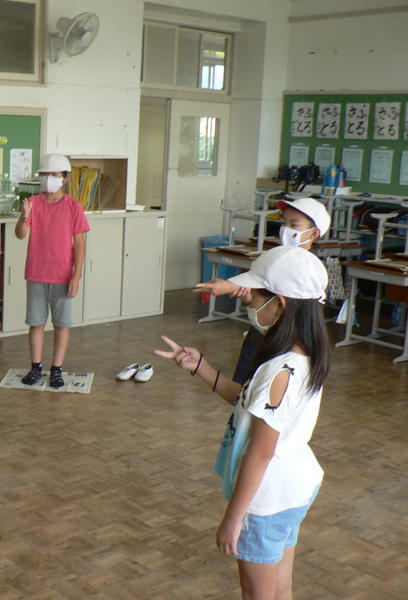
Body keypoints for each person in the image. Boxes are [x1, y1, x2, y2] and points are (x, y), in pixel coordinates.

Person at [155, 245, 329, 600]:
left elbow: (260, 453)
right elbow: (249, 402)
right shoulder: (302, 356)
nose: (251, 306)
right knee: (280, 588)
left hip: (265, 499)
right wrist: (200, 367)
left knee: (257, 593)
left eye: (255, 299)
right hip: (293, 487)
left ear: (280, 304)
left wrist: (234, 517)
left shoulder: (279, 371)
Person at [196, 197, 331, 383]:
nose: (286, 229)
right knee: (244, 387)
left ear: (314, 233)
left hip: (280, 341)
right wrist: (248, 298)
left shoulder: (307, 271)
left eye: (294, 224)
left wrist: (230, 287)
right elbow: (260, 299)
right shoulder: (275, 258)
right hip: (259, 336)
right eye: (284, 223)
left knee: (257, 386)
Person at [14, 153, 90, 388]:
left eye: (54, 174)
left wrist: (76, 275)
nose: (49, 178)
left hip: (63, 275)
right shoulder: (33, 203)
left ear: (65, 177)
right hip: (36, 273)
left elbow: (79, 243)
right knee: (36, 323)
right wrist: (24, 217)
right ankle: (35, 367)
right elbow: (20, 234)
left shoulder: (73, 206)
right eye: (45, 174)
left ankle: (57, 369)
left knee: (61, 324)